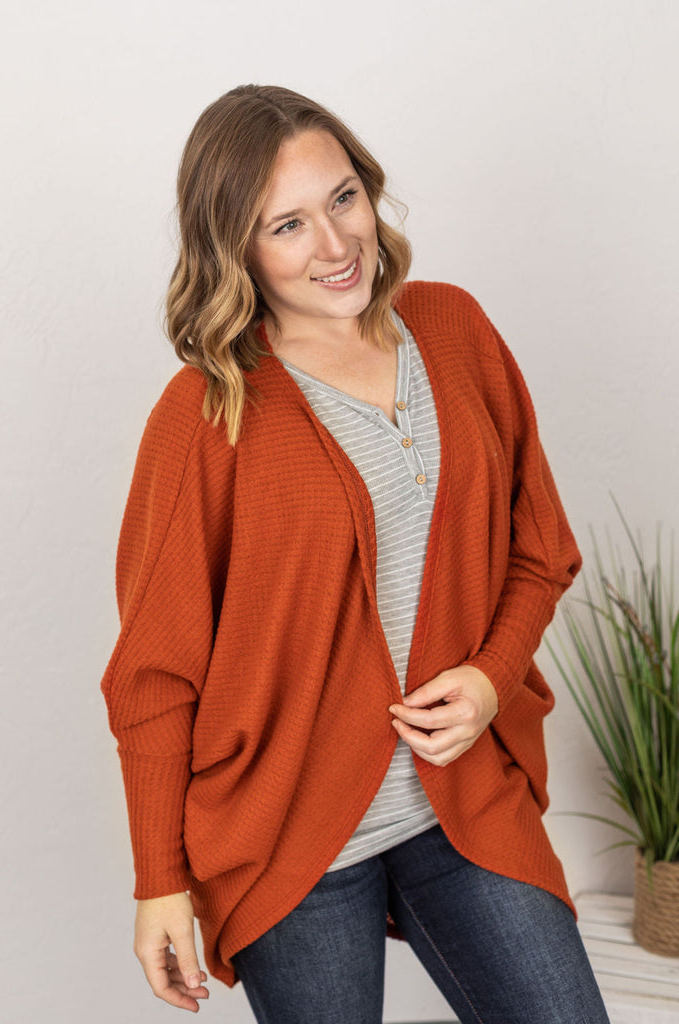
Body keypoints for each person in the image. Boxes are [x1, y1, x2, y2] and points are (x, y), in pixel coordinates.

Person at [101, 84, 611, 1024]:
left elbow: (539, 547)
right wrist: (159, 881)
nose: (335, 246)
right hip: (291, 842)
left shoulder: (454, 329)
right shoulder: (206, 413)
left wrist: (491, 678)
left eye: (342, 199)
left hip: (464, 802)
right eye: (286, 225)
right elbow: (153, 675)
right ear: (235, 247)